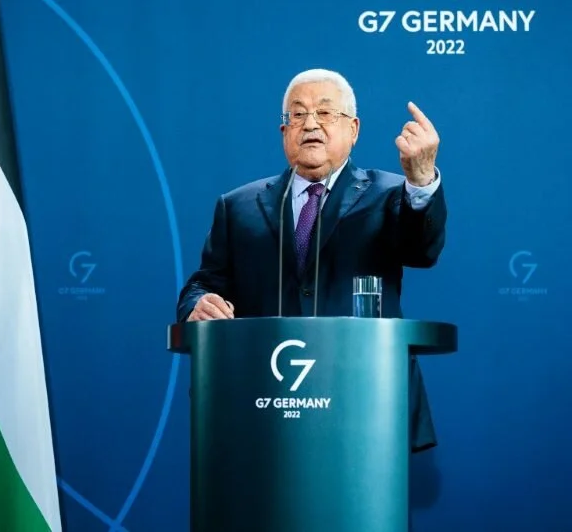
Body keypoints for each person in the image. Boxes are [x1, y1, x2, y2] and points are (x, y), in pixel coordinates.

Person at [176, 68, 446, 452]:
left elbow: (423, 250)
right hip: (263, 406)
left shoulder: (390, 195)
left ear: (353, 129)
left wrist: (420, 184)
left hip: (366, 405)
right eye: (298, 114)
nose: (311, 124)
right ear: (284, 131)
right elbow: (205, 282)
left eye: (325, 113)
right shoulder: (238, 206)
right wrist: (197, 305)